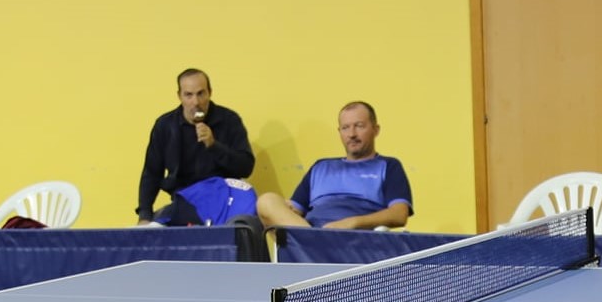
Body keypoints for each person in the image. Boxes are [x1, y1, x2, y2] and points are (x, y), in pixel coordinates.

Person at [256, 102, 414, 230]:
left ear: (376, 130)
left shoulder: (388, 165)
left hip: (354, 240)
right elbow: (295, 210)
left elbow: (399, 214)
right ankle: (314, 240)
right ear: (340, 132)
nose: (352, 134)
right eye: (345, 128)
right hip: (309, 234)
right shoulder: (320, 167)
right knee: (266, 200)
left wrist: (352, 222)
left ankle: (313, 241)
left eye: (359, 126)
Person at [135, 68, 256, 225]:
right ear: (179, 96)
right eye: (189, 95)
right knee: (154, 228)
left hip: (224, 199)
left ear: (210, 92)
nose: (196, 102)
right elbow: (152, 173)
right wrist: (144, 215)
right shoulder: (165, 125)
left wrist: (214, 146)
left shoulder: (229, 120)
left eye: (201, 94)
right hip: (186, 201)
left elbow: (246, 167)